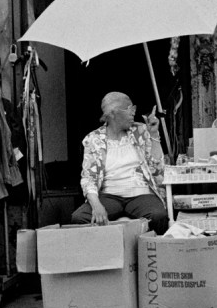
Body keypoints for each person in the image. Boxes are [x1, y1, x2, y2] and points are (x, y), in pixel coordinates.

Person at [70, 92, 169, 235]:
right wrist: (97, 205)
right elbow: (88, 178)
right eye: (130, 108)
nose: (133, 113)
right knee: (79, 218)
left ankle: (148, 253)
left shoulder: (140, 131)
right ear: (113, 113)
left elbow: (158, 169)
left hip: (140, 193)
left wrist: (153, 134)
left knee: (158, 216)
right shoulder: (93, 139)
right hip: (109, 194)